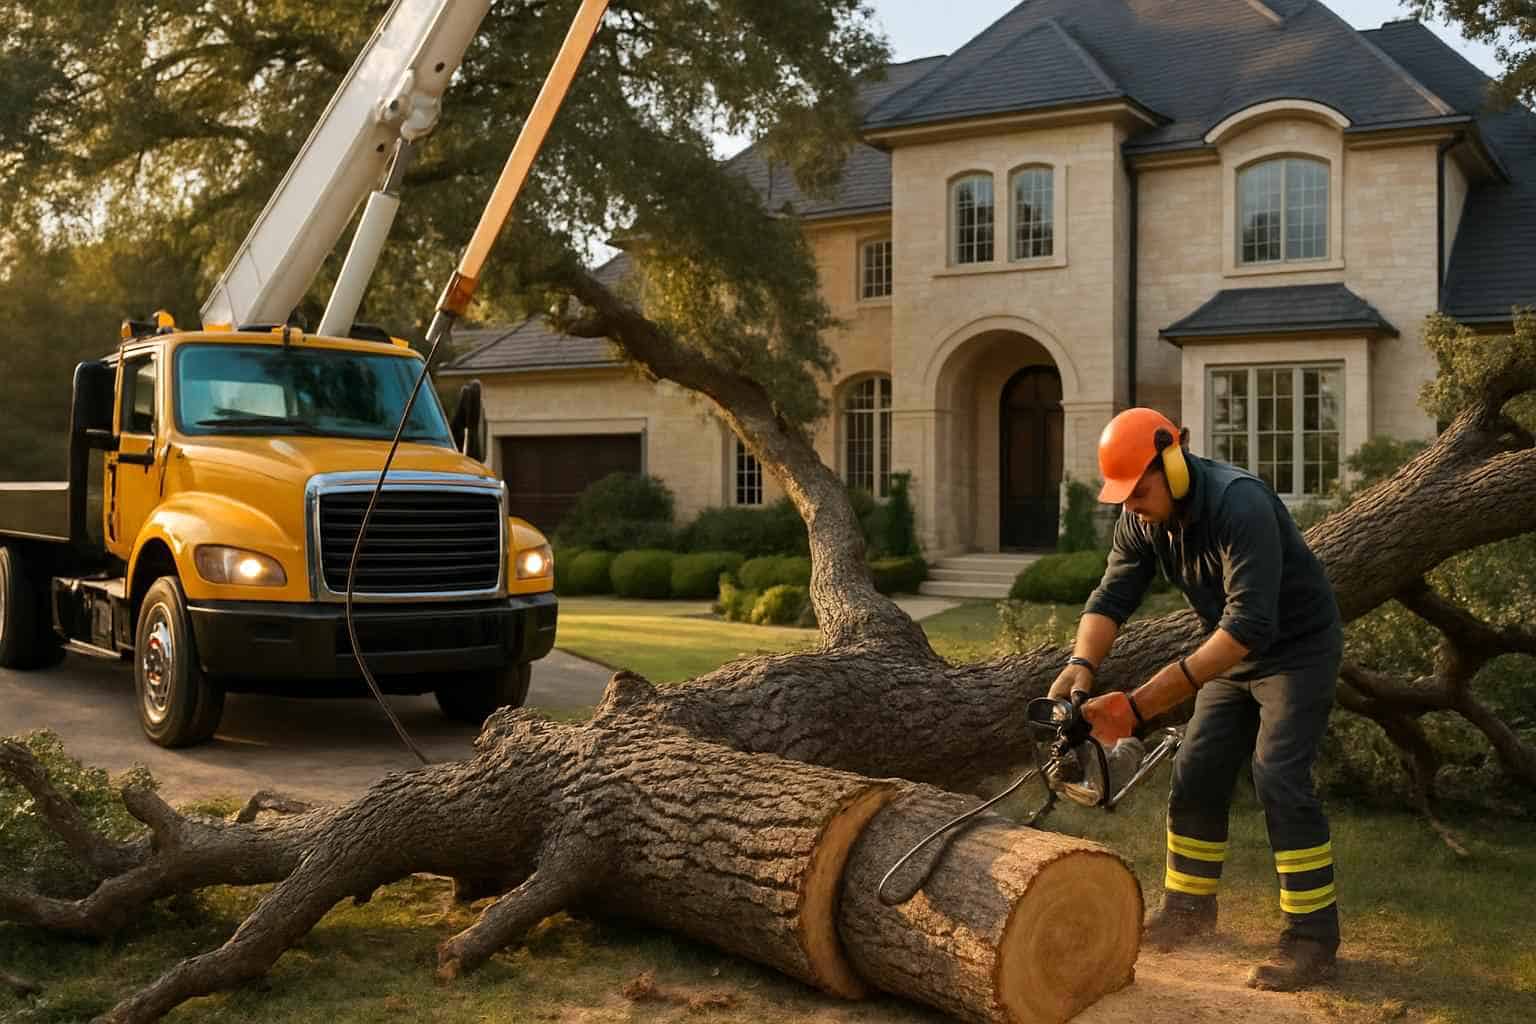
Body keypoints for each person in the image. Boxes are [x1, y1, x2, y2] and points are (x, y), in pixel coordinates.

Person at [1049, 407, 1343, 991]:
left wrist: (1138, 706)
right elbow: (1110, 598)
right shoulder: (1141, 520)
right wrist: (1080, 667)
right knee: (1196, 770)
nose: (1132, 505)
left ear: (1175, 459)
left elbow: (1250, 624)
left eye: (1140, 491)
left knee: (1278, 774)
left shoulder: (1241, 504)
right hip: (1230, 658)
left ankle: (1312, 938)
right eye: (1123, 496)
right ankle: (1187, 911)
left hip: (1296, 652)